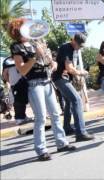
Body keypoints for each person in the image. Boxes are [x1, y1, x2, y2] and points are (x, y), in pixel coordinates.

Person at [8, 18, 75, 161]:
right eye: (25, 26)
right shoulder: (16, 47)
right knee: (41, 118)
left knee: (56, 114)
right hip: (34, 84)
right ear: (18, 30)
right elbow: (22, 70)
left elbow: (48, 61)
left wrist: (52, 61)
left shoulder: (36, 42)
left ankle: (61, 143)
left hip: (47, 81)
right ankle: (41, 150)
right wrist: (34, 56)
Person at [52, 32, 94, 141]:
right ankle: (81, 133)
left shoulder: (71, 49)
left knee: (69, 102)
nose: (80, 48)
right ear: (74, 41)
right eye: (79, 45)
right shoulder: (67, 48)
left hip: (63, 78)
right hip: (61, 79)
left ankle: (66, 127)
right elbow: (69, 68)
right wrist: (81, 73)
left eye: (82, 46)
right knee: (77, 100)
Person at [2, 56, 33, 125]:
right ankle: (19, 118)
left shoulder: (22, 57)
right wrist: (10, 82)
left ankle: (23, 116)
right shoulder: (7, 61)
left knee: (24, 100)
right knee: (18, 101)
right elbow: (4, 74)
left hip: (25, 80)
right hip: (15, 83)